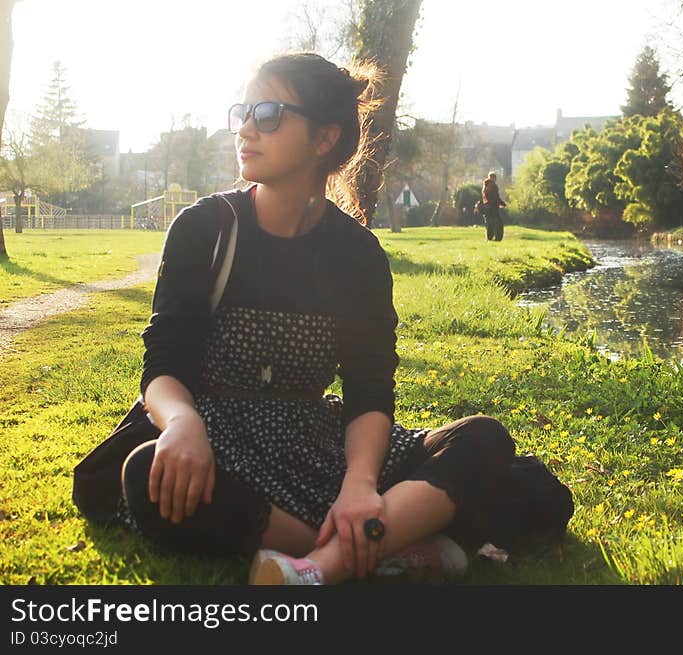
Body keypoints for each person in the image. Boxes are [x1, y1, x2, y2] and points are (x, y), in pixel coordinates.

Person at [115, 52, 517, 586]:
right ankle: (383, 546)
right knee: (148, 474)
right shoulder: (204, 230)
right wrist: (184, 424)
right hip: (216, 441)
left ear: (324, 138)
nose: (246, 129)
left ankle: (315, 569)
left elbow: (369, 389)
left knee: (487, 444)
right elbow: (164, 365)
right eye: (244, 112)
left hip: (317, 442)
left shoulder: (357, 254)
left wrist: (358, 484)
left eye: (269, 114)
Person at [481, 171, 506, 241]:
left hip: (487, 207)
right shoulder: (493, 186)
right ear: (493, 178)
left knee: (489, 224)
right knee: (499, 223)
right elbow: (496, 197)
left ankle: (489, 238)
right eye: (495, 178)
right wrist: (502, 203)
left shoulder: (485, 186)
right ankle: (498, 238)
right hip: (493, 207)